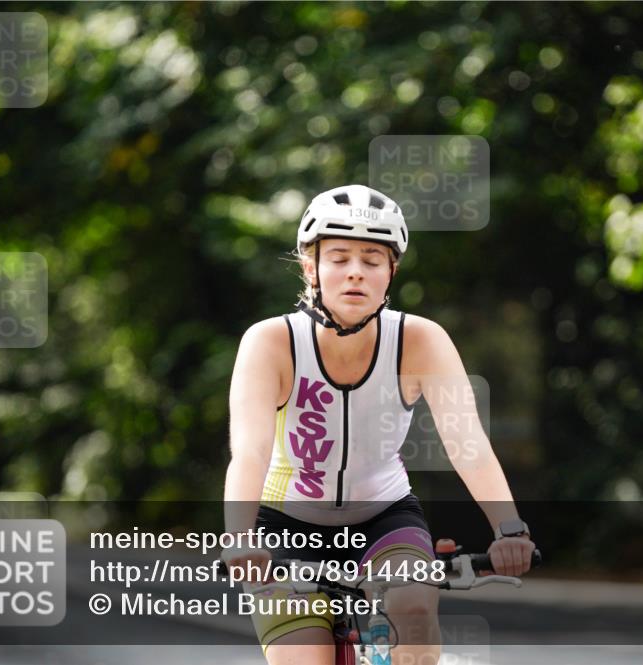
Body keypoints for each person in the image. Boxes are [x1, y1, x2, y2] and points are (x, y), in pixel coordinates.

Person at [221, 184, 535, 665]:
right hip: (285, 527)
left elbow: (466, 442)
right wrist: (241, 539)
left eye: (371, 260)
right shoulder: (270, 342)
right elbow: (251, 451)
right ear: (311, 268)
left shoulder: (420, 340)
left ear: (391, 272)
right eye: (339, 258)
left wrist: (509, 529)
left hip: (386, 518)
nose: (355, 272)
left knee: (412, 605)